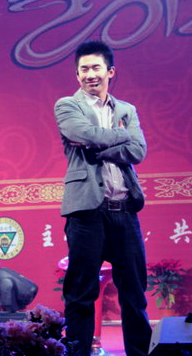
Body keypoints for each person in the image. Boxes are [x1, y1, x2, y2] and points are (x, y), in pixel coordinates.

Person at [54, 40, 152, 356]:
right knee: (81, 294)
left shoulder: (126, 110)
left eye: (96, 67)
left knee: (134, 293)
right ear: (77, 74)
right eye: (83, 69)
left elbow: (138, 151)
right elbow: (83, 134)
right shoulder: (67, 106)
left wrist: (101, 147)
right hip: (86, 212)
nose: (90, 75)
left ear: (110, 71)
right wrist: (122, 136)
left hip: (124, 210)